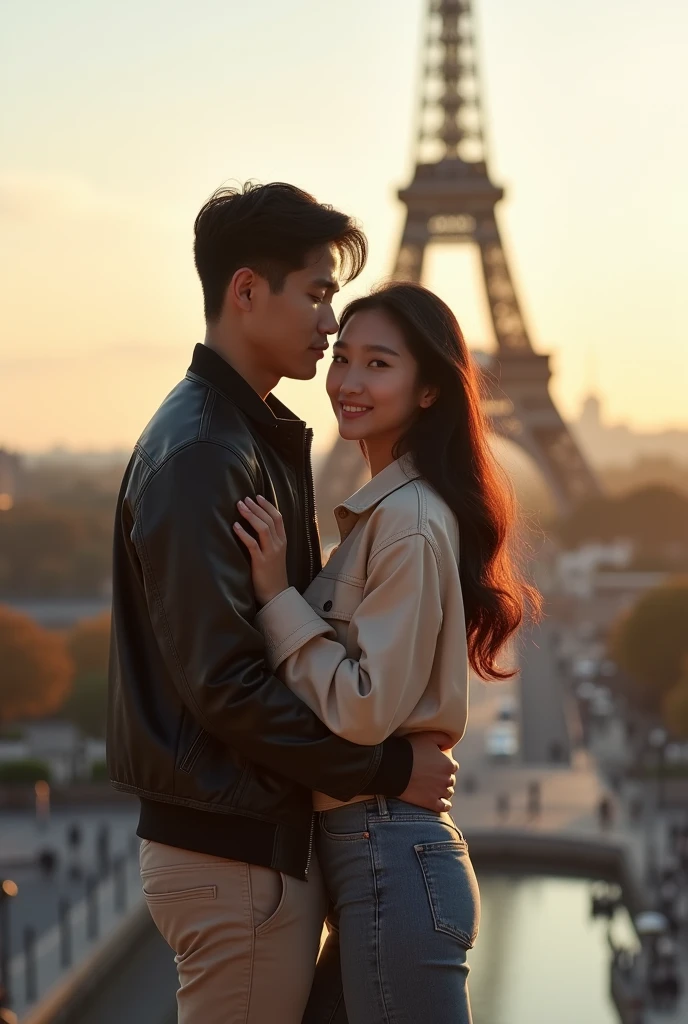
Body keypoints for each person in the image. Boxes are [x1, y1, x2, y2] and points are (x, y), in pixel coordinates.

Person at [106, 184, 458, 1024]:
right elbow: (226, 683)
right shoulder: (205, 455)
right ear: (246, 291)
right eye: (317, 292)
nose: (329, 322)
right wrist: (383, 770)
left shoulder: (240, 437)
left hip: (247, 847)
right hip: (236, 857)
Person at [234, 282, 540, 1023]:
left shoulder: (403, 521)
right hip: (378, 860)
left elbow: (364, 708)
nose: (348, 381)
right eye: (344, 359)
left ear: (430, 388)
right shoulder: (388, 516)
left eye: (379, 364)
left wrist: (276, 596)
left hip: (388, 860)